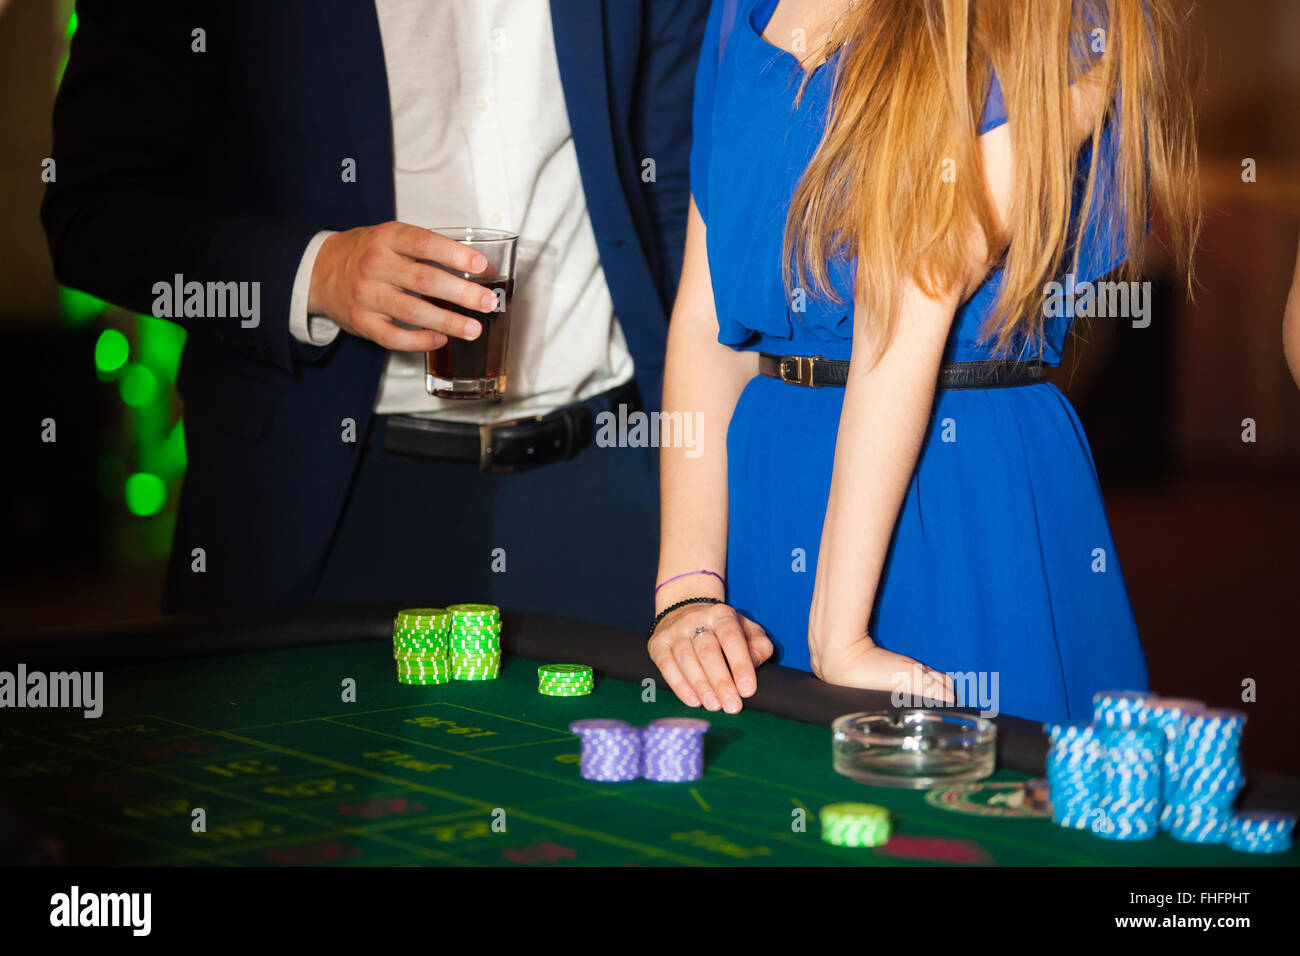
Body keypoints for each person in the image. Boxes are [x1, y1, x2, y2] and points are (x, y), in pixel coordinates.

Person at [42, 1, 708, 631]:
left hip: (611, 480)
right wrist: (317, 272)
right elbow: (92, 216)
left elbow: (675, 185)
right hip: (328, 494)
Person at [649, 0, 1200, 722]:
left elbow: (917, 286)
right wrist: (688, 589)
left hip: (958, 484)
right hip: (770, 477)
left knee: (973, 822)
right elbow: (704, 318)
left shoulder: (1064, 14)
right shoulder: (740, 12)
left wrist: (839, 634)